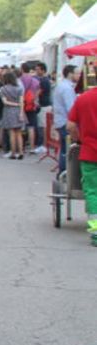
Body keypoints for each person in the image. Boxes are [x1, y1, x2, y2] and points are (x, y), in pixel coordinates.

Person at [66, 79, 97, 240]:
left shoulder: (83, 99)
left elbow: (70, 125)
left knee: (92, 192)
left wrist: (78, 139)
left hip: (90, 152)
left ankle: (95, 231)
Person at [55, 65, 78, 174]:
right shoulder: (67, 88)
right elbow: (71, 108)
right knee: (67, 149)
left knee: (64, 149)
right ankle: (64, 173)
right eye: (77, 73)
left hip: (61, 121)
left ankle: (63, 172)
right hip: (65, 122)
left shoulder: (62, 86)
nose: (79, 75)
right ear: (70, 74)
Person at [0, 71, 26, 160]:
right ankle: (21, 152)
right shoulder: (19, 88)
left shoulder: (3, 89)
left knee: (11, 133)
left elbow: (4, 102)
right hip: (19, 111)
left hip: (8, 111)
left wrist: (14, 104)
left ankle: (13, 153)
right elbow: (22, 101)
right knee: (19, 133)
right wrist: (21, 111)